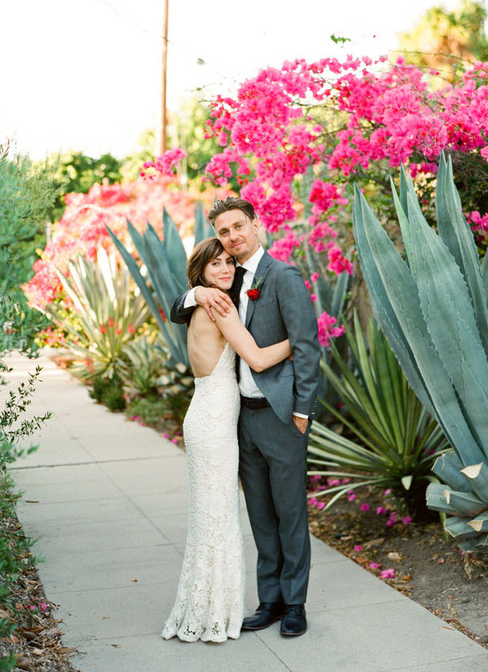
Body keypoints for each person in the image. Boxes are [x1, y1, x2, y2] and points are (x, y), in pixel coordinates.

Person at [171, 197, 320, 638]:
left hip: (279, 415)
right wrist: (196, 291)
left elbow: (308, 347)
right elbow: (180, 308)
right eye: (223, 232)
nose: (233, 237)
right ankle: (268, 601)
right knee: (259, 514)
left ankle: (295, 604)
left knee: (290, 512)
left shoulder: (283, 276)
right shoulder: (224, 279)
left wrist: (301, 411)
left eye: (239, 227)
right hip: (240, 419)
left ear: (256, 225)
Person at [161, 237, 292, 643]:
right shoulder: (220, 305)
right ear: (200, 272)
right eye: (215, 264)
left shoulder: (202, 303)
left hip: (204, 417)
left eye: (230, 263)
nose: (226, 270)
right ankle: (215, 610)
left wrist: (197, 290)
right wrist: (302, 338)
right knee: (217, 518)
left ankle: (202, 605)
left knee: (209, 518)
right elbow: (257, 358)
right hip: (215, 423)